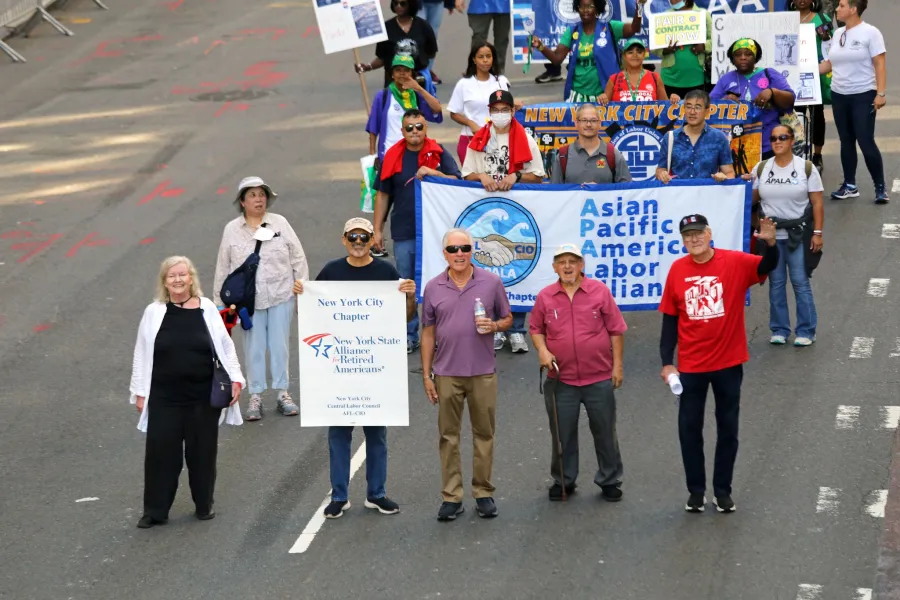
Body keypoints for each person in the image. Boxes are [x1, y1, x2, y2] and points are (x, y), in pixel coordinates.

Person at [295, 218, 417, 519]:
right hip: (339, 368)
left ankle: (377, 494)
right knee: (339, 434)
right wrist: (302, 294)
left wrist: (411, 296)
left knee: (377, 434)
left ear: (372, 240)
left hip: (374, 367)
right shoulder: (331, 271)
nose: (359, 242)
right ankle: (339, 496)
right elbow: (311, 315)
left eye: (364, 236)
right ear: (344, 239)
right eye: (353, 236)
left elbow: (404, 317)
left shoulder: (386, 272)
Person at [659, 214, 779, 514]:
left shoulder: (734, 262)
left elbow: (766, 266)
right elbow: (670, 319)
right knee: (689, 429)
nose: (694, 240)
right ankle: (696, 492)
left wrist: (771, 245)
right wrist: (666, 362)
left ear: (709, 233)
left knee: (728, 429)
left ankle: (722, 491)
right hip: (691, 366)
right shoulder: (677, 270)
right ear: (682, 240)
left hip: (728, 363)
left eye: (698, 233)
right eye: (688, 236)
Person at [130, 256, 245, 529]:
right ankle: (155, 511)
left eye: (183, 275)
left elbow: (225, 347)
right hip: (163, 396)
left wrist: (236, 379)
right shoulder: (153, 312)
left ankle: (204, 505)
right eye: (172, 276)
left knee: (202, 453)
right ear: (164, 282)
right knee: (161, 455)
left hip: (202, 396)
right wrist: (139, 392)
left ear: (191, 278)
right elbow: (141, 352)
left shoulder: (206, 308)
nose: (178, 280)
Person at [421, 228, 512, 521]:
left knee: (484, 434)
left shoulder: (492, 282)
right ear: (444, 254)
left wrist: (495, 326)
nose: (459, 254)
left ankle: (483, 492)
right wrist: (426, 375)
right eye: (452, 249)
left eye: (464, 248)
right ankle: (452, 496)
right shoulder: (434, 287)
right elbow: (428, 332)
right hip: (446, 373)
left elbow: (508, 318)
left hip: (482, 372)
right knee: (448, 437)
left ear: (472, 251)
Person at [530, 243, 628, 502]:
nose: (567, 267)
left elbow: (616, 330)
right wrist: (541, 349)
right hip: (561, 379)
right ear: (554, 267)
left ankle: (609, 479)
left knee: (605, 431)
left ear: (582, 265)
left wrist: (617, 366)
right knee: (562, 434)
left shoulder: (600, 292)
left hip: (598, 376)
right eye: (561, 262)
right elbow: (535, 328)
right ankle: (564, 480)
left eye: (573, 261)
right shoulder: (545, 296)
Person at [213, 176, 309, 421]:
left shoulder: (279, 223)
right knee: (253, 348)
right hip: (247, 303)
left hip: (280, 294)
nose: (258, 199)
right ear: (242, 202)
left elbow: (297, 256)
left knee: (280, 346)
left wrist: (303, 288)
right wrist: (219, 306)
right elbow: (223, 267)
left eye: (262, 194)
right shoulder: (231, 230)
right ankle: (255, 396)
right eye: (252, 195)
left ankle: (282, 393)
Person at [461, 88, 544, 354]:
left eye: (504, 110)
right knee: (489, 269)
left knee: (515, 269)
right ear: (489, 112)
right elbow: (467, 174)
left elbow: (538, 175)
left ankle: (517, 330)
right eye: (495, 110)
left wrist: (516, 177)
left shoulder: (527, 140)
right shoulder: (479, 140)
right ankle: (495, 327)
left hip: (516, 211)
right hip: (486, 211)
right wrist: (481, 177)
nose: (500, 114)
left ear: (512, 111)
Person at [373, 109, 461, 353]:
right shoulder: (393, 156)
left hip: (437, 232)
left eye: (419, 127)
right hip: (405, 230)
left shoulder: (439, 152)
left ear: (426, 129)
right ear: (402, 131)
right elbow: (382, 194)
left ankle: (442, 335)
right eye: (409, 128)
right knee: (406, 284)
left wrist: (433, 173)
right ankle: (409, 334)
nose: (414, 131)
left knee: (442, 284)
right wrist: (377, 230)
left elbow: (458, 182)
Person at [751, 125, 824, 347]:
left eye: (782, 137)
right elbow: (751, 200)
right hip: (772, 238)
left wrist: (818, 233)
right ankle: (779, 329)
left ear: (792, 140)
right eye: (773, 138)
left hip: (798, 235)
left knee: (800, 282)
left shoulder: (807, 168)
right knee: (776, 282)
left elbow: (817, 203)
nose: (777, 141)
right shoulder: (761, 168)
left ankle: (806, 330)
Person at [818, 0, 888, 204]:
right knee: (846, 141)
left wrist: (881, 93)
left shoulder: (870, 32)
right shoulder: (839, 34)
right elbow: (830, 63)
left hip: (863, 94)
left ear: (853, 9)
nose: (836, 9)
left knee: (865, 141)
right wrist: (807, 70)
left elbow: (880, 63)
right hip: (840, 94)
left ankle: (880, 187)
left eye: (841, 5)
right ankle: (850, 185)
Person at [531, 0, 647, 103]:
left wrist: (639, 7)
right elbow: (557, 59)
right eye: (581, 6)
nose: (585, 10)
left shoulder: (610, 27)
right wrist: (540, 46)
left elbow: (634, 28)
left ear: (597, 8)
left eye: (590, 6)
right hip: (578, 95)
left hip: (605, 95)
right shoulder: (572, 31)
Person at [711, 38, 796, 160]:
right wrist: (725, 100)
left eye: (748, 54)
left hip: (769, 144)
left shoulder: (769, 74)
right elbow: (710, 107)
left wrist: (772, 92)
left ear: (756, 57)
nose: (743, 57)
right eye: (738, 55)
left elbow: (790, 99)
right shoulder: (726, 79)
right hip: (736, 146)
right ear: (732, 59)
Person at [366, 55, 444, 167]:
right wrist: (372, 155)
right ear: (392, 74)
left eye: (406, 70)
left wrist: (419, 89)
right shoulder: (383, 96)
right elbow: (373, 128)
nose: (402, 73)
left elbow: (437, 109)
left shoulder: (417, 95)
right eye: (398, 70)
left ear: (412, 74)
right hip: (389, 154)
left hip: (416, 154)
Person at [448, 42, 511, 164]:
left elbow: (508, 110)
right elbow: (453, 113)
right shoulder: (464, 84)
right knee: (473, 180)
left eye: (488, 56)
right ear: (474, 60)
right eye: (481, 57)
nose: (485, 60)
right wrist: (470, 123)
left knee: (497, 179)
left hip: (498, 139)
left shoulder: (501, 82)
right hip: (470, 139)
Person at [656, 90, 736, 184]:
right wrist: (662, 174)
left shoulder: (719, 138)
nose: (692, 112)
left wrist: (724, 177)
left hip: (708, 196)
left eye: (697, 107)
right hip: (678, 196)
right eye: (688, 107)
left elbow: (729, 172)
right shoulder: (670, 137)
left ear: (707, 111)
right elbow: (660, 169)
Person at [354, 0, 438, 89]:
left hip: (418, 82)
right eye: (395, 3)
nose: (398, 6)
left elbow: (431, 52)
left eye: (403, 3)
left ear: (411, 4)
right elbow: (382, 57)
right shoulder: (387, 27)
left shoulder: (423, 26)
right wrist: (367, 67)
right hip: (394, 82)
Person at [791, 0, 833, 173]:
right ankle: (796, 153)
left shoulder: (822, 19)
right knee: (794, 115)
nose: (802, 0)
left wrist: (825, 37)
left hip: (815, 74)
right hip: (792, 75)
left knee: (817, 115)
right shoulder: (785, 19)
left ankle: (817, 155)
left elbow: (831, 48)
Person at [550, 103, 631, 184]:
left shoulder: (613, 154)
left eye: (593, 120)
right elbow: (554, 193)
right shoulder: (563, 156)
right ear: (576, 123)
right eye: (584, 120)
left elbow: (626, 192)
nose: (588, 124)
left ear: (600, 123)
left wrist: (597, 191)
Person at [659, 0, 712, 98]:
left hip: (697, 77)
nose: (671, 0)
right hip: (670, 79)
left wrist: (704, 46)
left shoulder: (703, 15)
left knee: (695, 111)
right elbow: (655, 46)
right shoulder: (665, 16)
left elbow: (715, 40)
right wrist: (665, 50)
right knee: (670, 112)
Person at [606, 38, 678, 103]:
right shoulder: (613, 79)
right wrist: (602, 99)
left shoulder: (655, 78)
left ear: (644, 55)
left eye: (639, 52)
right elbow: (603, 110)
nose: (635, 55)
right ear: (624, 56)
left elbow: (665, 107)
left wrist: (673, 100)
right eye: (630, 52)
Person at [457, 0, 510, 75]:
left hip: (505, 4)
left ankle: (498, 72)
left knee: (502, 40)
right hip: (480, 4)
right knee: (479, 39)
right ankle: (475, 70)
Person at [421, 0, 456, 83]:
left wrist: (450, 3)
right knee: (419, 32)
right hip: (416, 3)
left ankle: (427, 70)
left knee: (432, 35)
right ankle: (415, 69)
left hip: (437, 2)